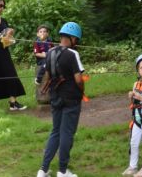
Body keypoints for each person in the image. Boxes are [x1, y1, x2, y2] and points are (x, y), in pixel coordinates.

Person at [36, 21, 85, 177]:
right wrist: (82, 91)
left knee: (55, 131)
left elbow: (48, 76)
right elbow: (78, 79)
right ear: (72, 39)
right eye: (76, 39)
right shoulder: (73, 54)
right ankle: (63, 171)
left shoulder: (50, 52)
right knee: (67, 134)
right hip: (71, 99)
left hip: (55, 97)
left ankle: (43, 170)